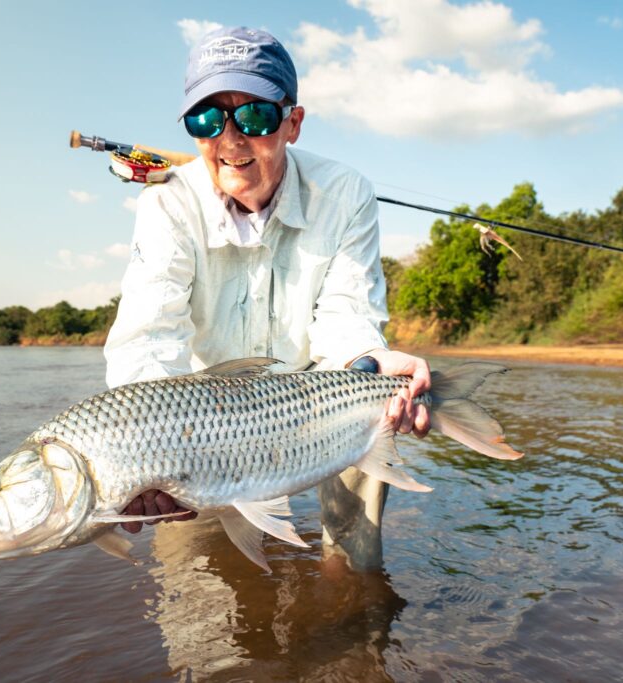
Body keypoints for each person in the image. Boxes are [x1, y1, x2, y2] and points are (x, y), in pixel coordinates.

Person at [103, 26, 431, 569]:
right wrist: (143, 458)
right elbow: (148, 336)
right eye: (207, 120)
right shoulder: (165, 205)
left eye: (254, 117)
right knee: (198, 593)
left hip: (324, 391)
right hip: (207, 418)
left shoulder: (347, 192)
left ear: (292, 123)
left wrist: (371, 364)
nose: (230, 141)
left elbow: (347, 316)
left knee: (356, 566)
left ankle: (352, 622)